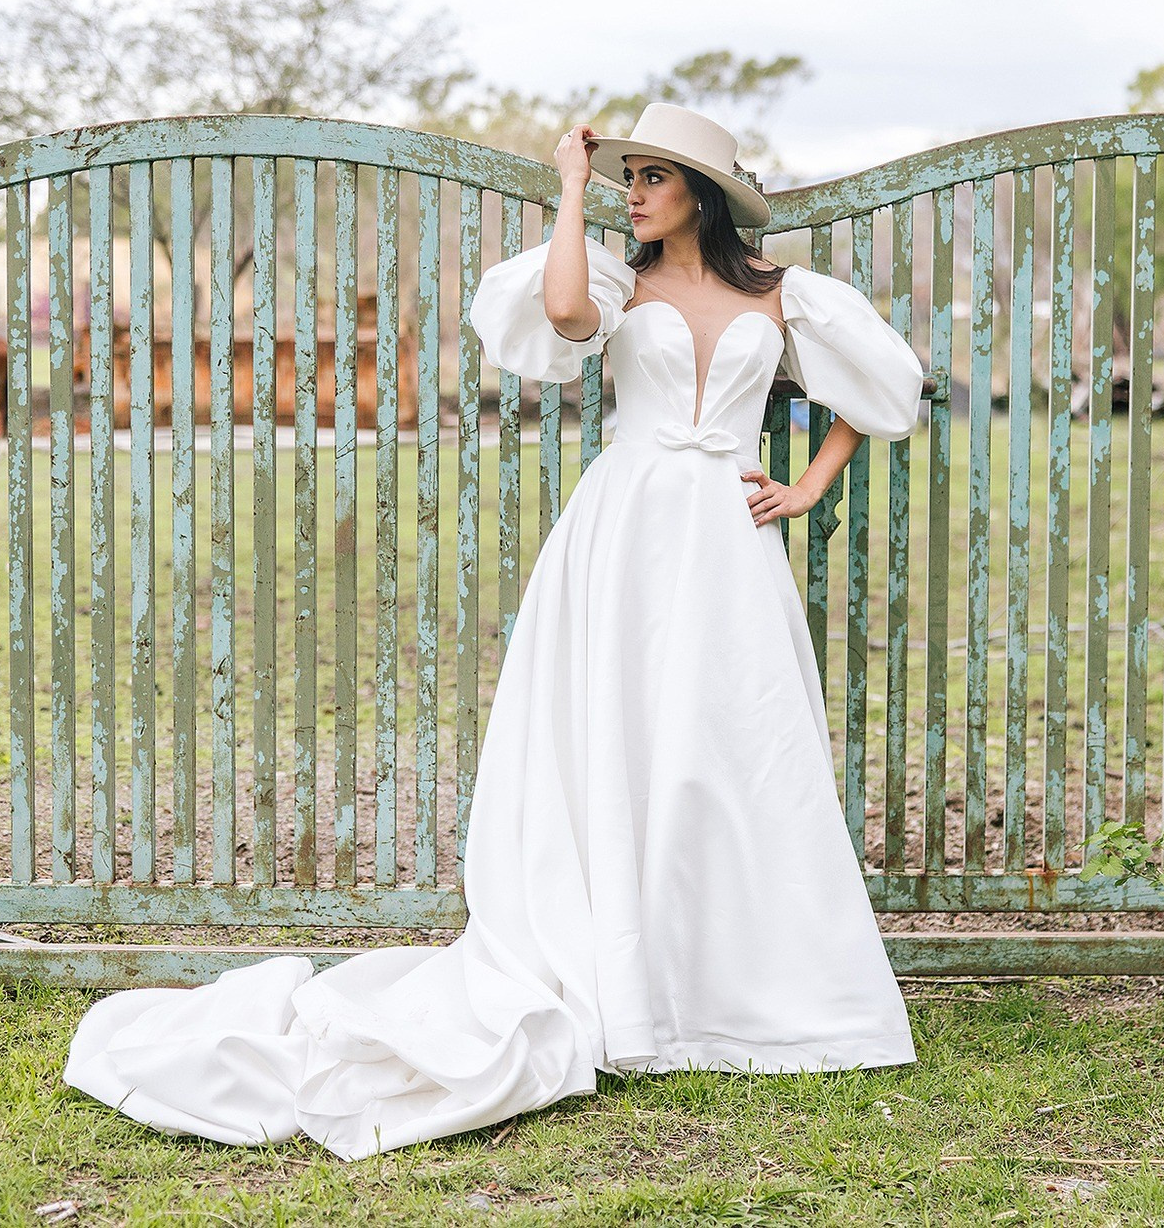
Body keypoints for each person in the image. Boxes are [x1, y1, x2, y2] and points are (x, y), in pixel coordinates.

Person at [62, 102, 928, 1160]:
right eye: (627, 177)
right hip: (622, 532)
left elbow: (883, 389)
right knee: (617, 740)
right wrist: (568, 184)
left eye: (651, 177)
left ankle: (741, 985)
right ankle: (622, 976)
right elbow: (562, 317)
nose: (634, 193)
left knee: (734, 748)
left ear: (700, 192)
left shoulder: (789, 298)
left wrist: (803, 490)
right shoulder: (621, 284)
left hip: (725, 539)